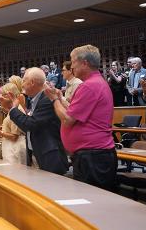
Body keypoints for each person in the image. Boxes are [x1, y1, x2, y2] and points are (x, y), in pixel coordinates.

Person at [45, 45, 116, 191]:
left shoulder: (89, 86)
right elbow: (74, 112)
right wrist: (60, 97)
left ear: (84, 63)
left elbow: (67, 120)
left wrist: (54, 100)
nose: (71, 67)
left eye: (73, 62)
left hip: (92, 156)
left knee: (92, 202)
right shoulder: (94, 83)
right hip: (91, 155)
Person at [8, 68, 68, 175]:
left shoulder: (46, 100)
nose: (22, 84)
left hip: (50, 156)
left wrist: (13, 109)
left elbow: (30, 124)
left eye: (24, 80)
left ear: (32, 83)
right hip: (38, 153)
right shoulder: (35, 99)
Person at [0, 83, 26, 165]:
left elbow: (14, 137)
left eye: (3, 95)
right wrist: (0, 129)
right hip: (12, 148)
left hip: (15, 149)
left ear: (10, 96)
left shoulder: (16, 110)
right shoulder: (12, 110)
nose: (0, 98)